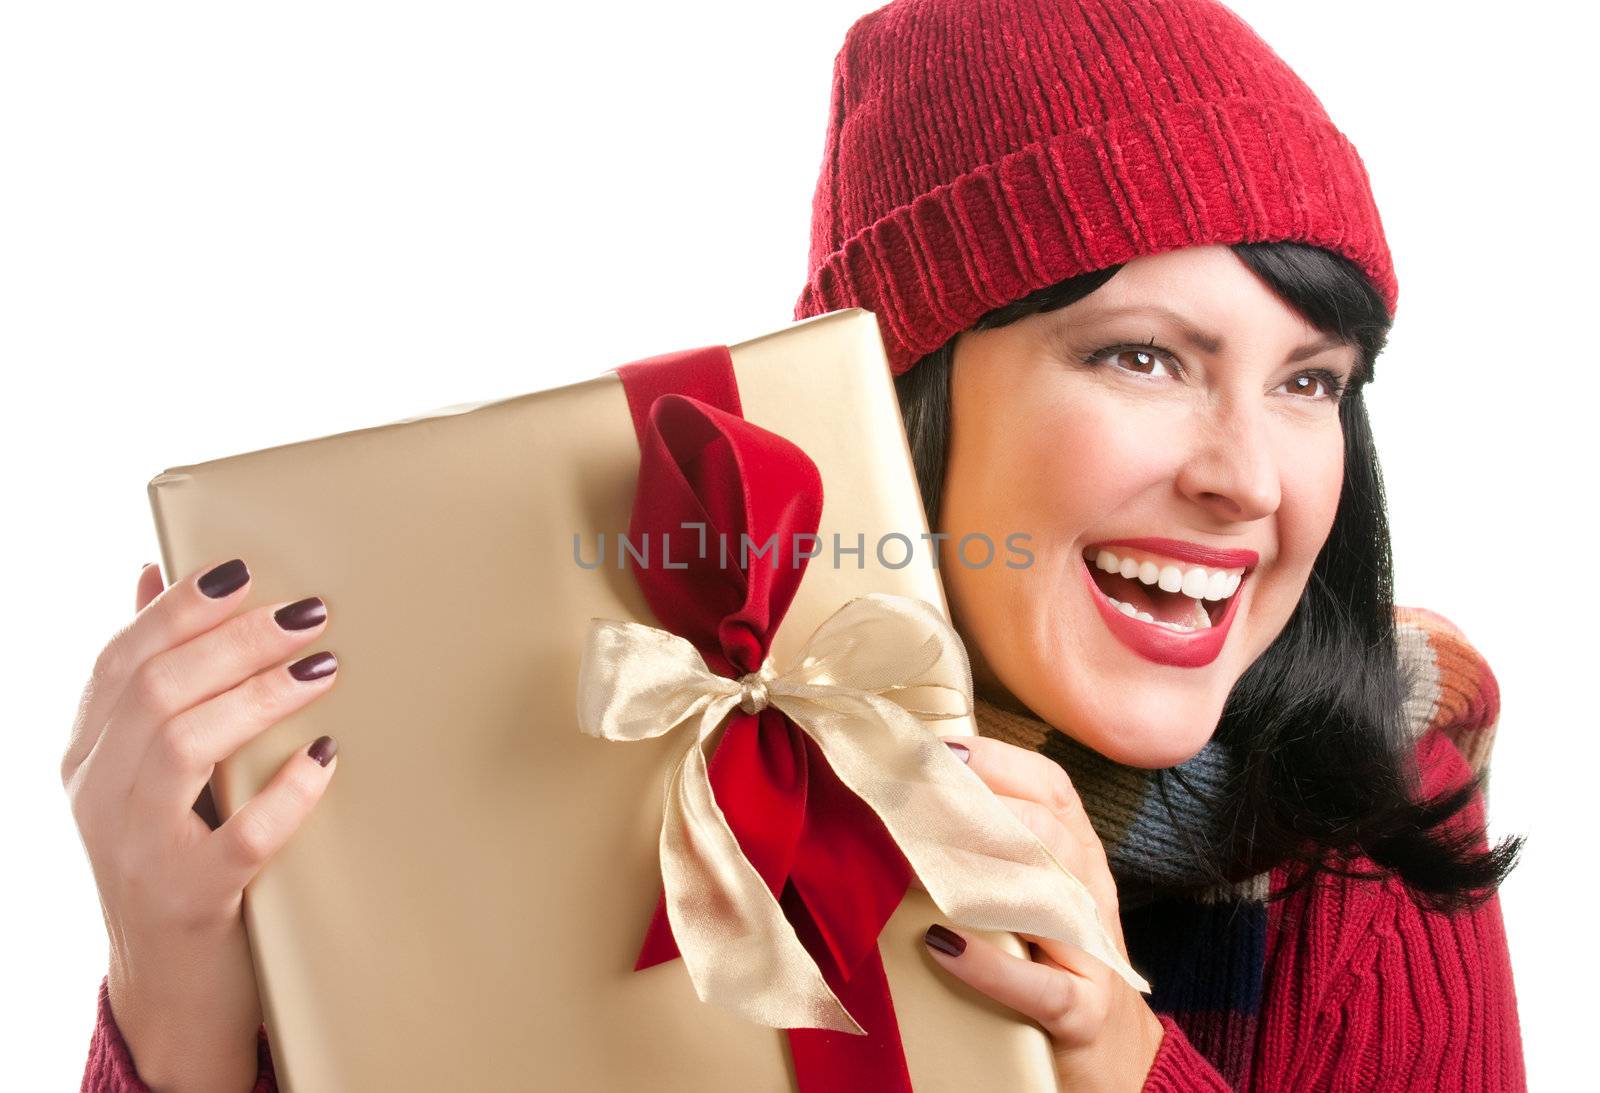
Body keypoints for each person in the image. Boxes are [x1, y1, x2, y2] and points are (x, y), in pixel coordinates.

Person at [72, 1, 1525, 1090]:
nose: (1247, 479)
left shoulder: (1375, 855)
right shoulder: (606, 798)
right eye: (1143, 359)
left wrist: (1119, 1056)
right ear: (909, 394)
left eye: (1309, 381)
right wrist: (175, 980)